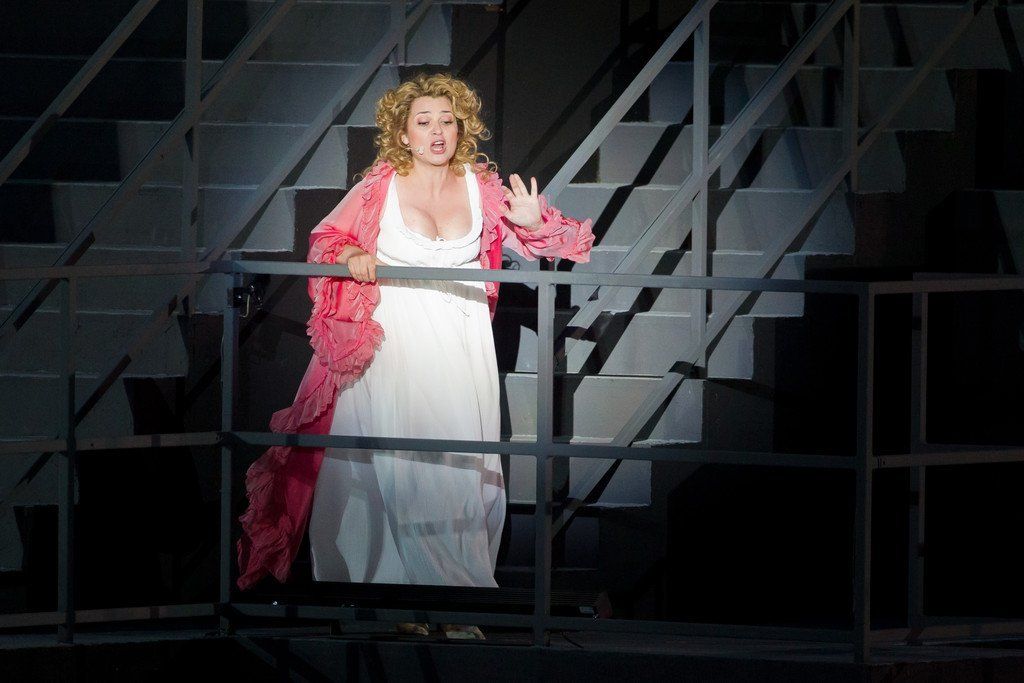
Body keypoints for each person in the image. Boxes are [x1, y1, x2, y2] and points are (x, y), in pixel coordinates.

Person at [235, 73, 594, 637]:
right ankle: (395, 601)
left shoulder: (482, 187)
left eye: (447, 121)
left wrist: (533, 222)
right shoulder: (379, 187)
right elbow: (327, 240)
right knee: (397, 465)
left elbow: (559, 240)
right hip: (395, 339)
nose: (437, 132)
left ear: (461, 128)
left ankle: (455, 599)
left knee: (461, 468)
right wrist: (352, 254)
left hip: (461, 342)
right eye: (423, 122)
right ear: (403, 134)